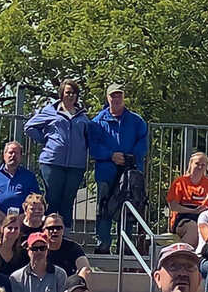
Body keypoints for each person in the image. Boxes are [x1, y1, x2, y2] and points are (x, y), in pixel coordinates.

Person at [87, 84, 147, 257]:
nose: (116, 98)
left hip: (130, 173)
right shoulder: (97, 122)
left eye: (119, 95)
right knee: (104, 209)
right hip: (106, 172)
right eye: (113, 95)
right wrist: (111, 155)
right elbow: (93, 147)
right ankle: (103, 245)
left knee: (128, 210)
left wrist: (130, 157)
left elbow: (143, 143)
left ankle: (126, 247)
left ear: (124, 97)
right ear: (108, 98)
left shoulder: (137, 121)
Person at [24, 82, 88, 240]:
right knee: (52, 199)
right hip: (52, 162)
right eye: (67, 92)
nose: (70, 95)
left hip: (76, 165)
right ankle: (47, 235)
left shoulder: (83, 116)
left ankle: (64, 238)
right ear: (61, 94)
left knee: (68, 200)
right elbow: (29, 127)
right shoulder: (50, 111)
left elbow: (89, 136)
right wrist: (47, 140)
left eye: (73, 92)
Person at [0, 144, 40, 222]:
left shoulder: (29, 176)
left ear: (21, 157)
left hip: (22, 218)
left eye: (16, 153)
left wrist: (23, 216)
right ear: (4, 155)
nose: (13, 155)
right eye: (10, 152)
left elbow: (35, 199)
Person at [168, 155, 208, 244]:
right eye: (197, 164)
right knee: (193, 228)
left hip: (205, 216)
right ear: (190, 164)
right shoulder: (180, 182)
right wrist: (193, 211)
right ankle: (184, 252)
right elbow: (173, 206)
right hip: (184, 217)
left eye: (203, 165)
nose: (200, 167)